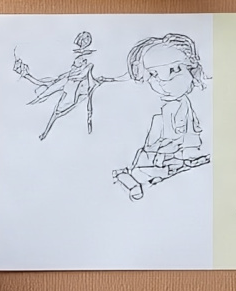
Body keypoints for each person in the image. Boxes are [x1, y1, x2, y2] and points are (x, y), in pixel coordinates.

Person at [113, 33, 210, 200]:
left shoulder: (184, 103)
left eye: (174, 70)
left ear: (191, 69)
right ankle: (128, 179)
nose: (163, 81)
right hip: (155, 158)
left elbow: (190, 130)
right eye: (154, 74)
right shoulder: (164, 112)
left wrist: (191, 152)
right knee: (143, 174)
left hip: (173, 157)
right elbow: (155, 144)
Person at [13, 32, 116, 140]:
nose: (86, 41)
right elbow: (71, 72)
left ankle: (45, 133)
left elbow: (86, 77)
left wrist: (89, 111)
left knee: (56, 110)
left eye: (87, 39)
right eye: (84, 38)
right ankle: (25, 75)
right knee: (46, 87)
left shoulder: (89, 62)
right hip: (68, 80)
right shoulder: (76, 54)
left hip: (74, 85)